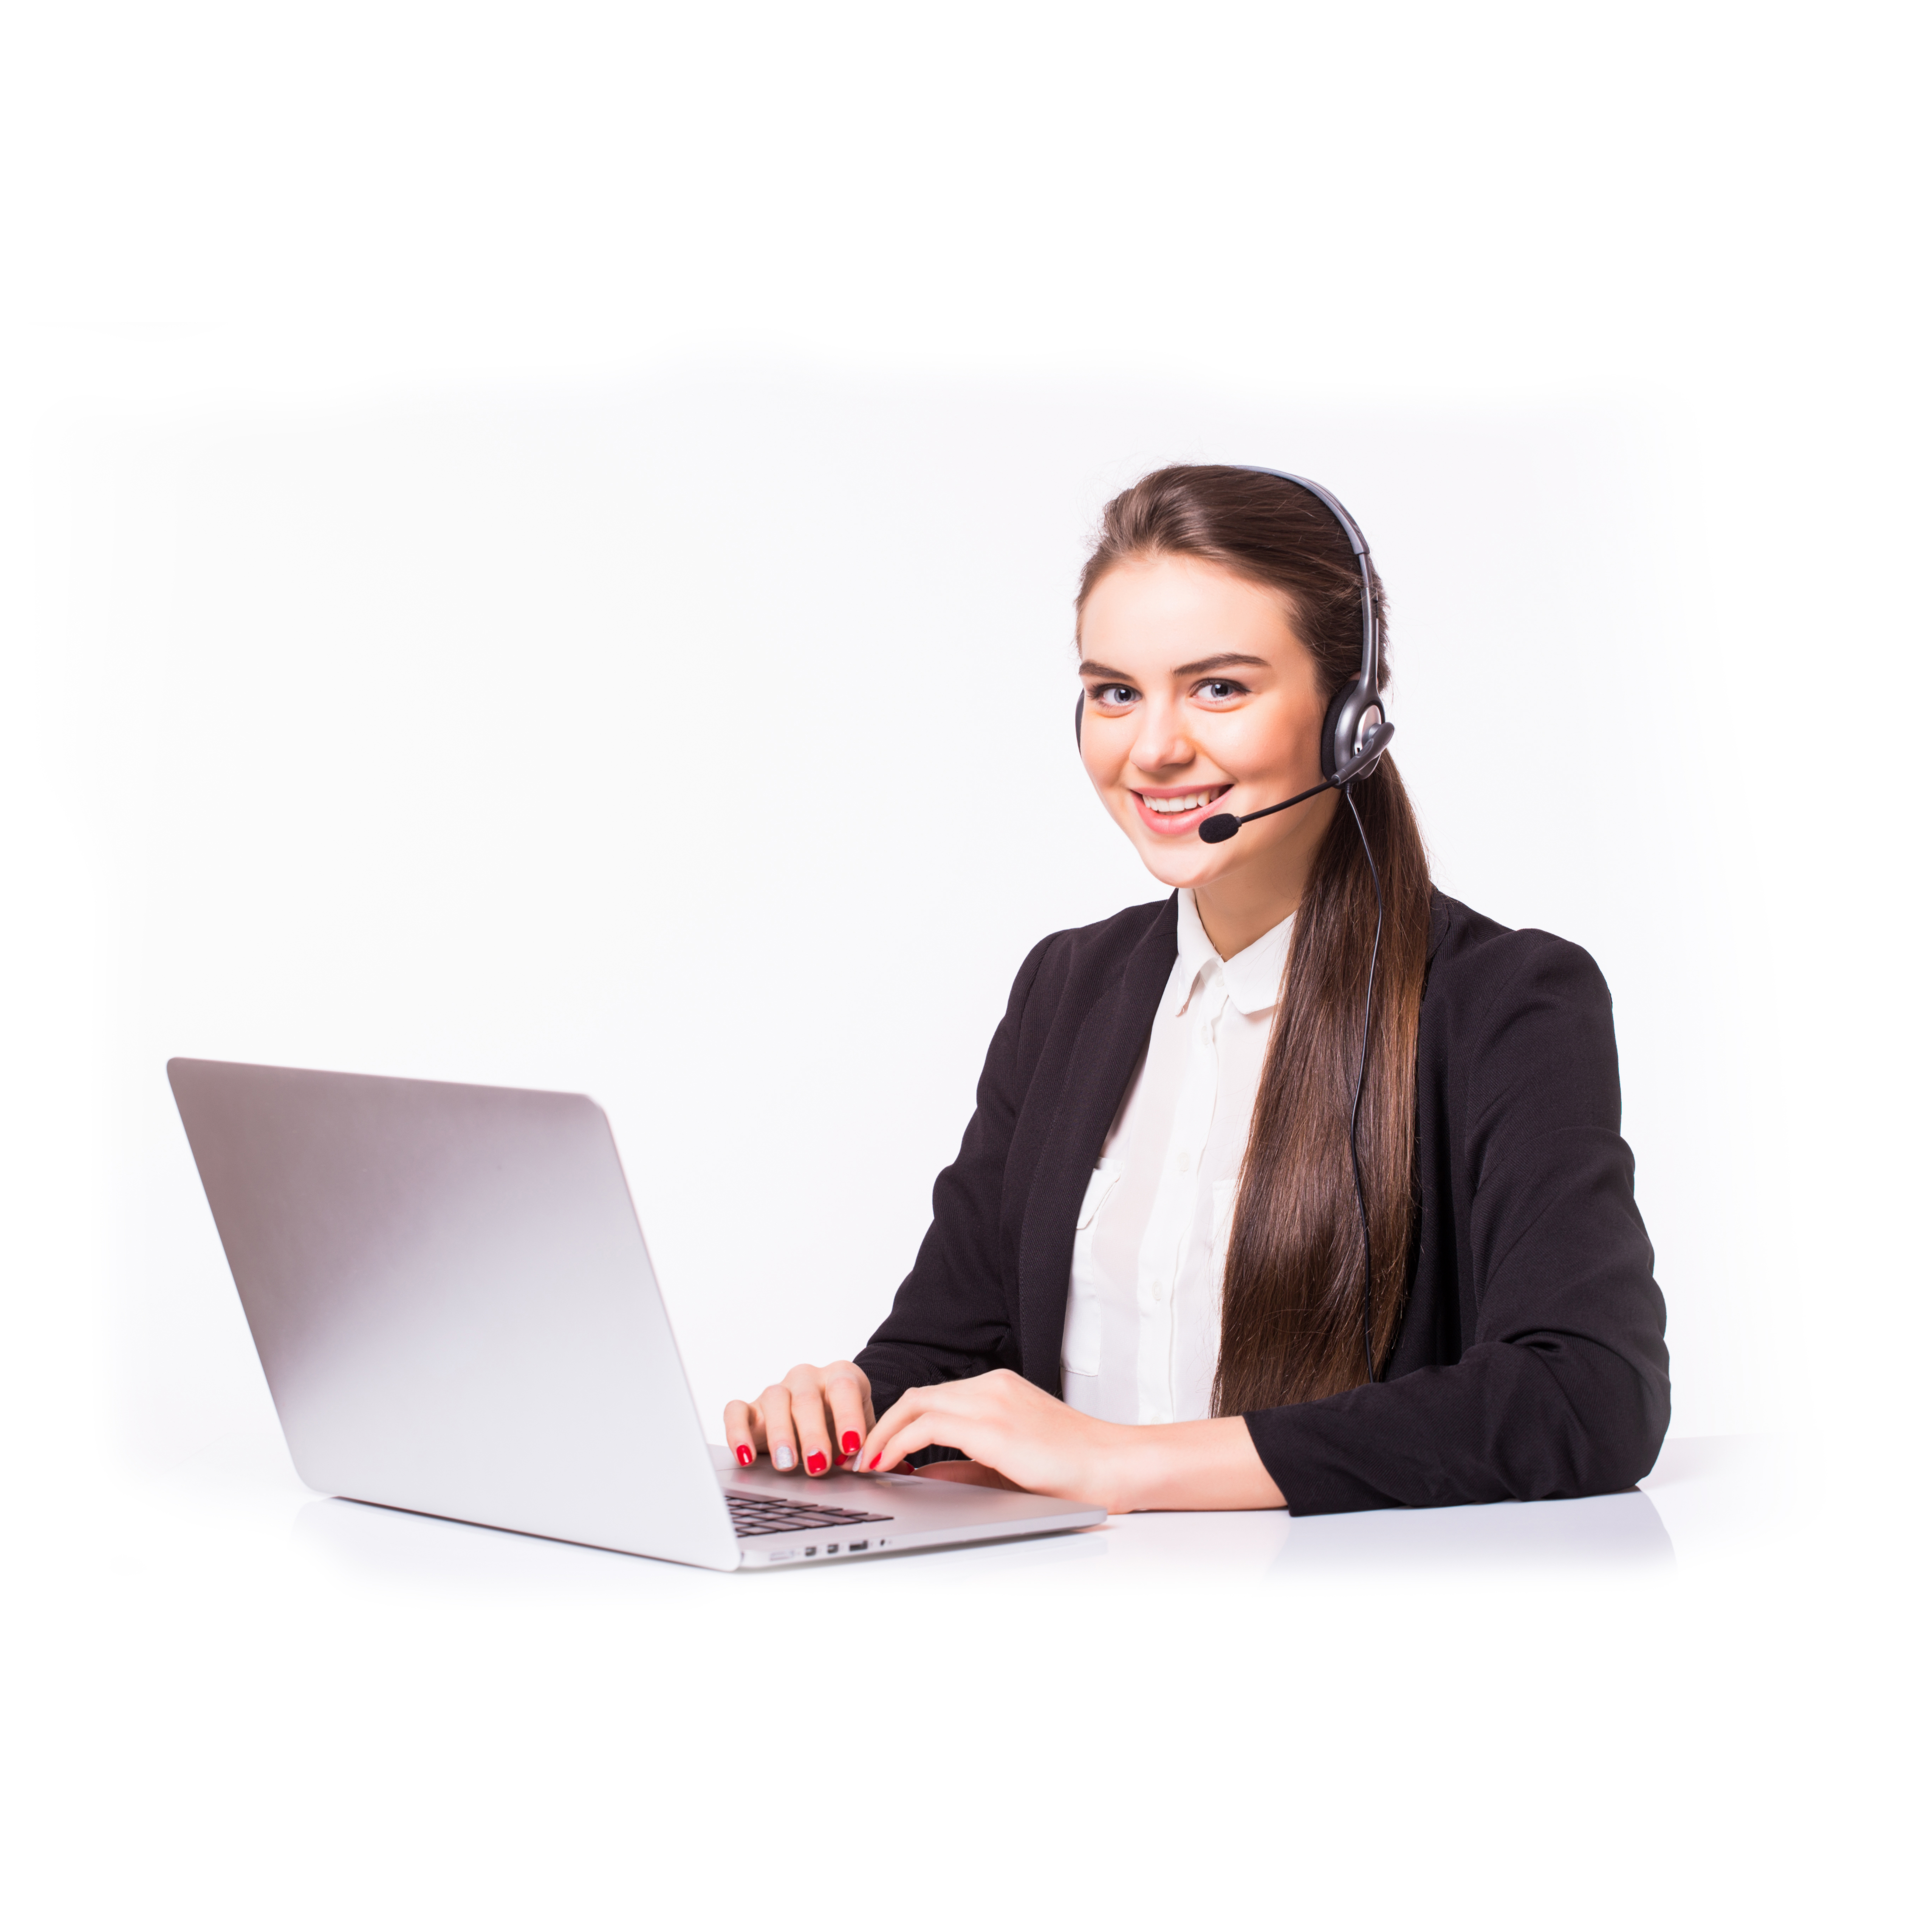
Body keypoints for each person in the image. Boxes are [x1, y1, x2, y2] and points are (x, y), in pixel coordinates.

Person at [723, 465, 1669, 1514]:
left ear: (1352, 715)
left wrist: (1125, 1463)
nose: (1154, 748)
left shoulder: (1503, 1001)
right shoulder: (1066, 987)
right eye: (1114, 692)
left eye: (1219, 686)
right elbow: (951, 1346)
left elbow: (1586, 1393)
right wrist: (846, 1400)